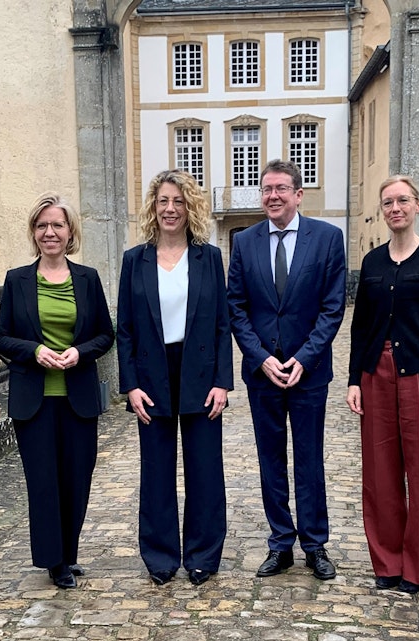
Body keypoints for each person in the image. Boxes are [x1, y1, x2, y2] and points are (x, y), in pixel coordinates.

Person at [227, 159, 347, 580]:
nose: (272, 196)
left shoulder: (328, 239)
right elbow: (236, 308)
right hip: (264, 374)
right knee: (270, 460)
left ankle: (315, 545)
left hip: (308, 373)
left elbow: (333, 309)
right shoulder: (244, 242)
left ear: (298, 194)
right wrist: (261, 359)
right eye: (266, 189)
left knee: (309, 459)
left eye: (280, 188)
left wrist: (304, 358)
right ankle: (281, 544)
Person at [117, 169, 233, 587]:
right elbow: (125, 328)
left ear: (190, 208)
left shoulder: (208, 256)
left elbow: (222, 323)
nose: (170, 209)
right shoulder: (135, 259)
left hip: (200, 372)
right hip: (151, 374)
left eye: (178, 201)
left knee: (205, 469)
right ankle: (161, 557)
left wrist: (223, 381)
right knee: (157, 470)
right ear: (154, 206)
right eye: (163, 201)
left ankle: (203, 555)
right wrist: (129, 385)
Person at [0, 192, 114, 589]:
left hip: (78, 396)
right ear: (34, 232)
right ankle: (53, 561)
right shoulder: (18, 280)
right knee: (44, 482)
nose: (50, 232)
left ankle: (70, 552)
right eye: (42, 225)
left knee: (77, 479)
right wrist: (37, 351)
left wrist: (79, 352)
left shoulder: (88, 278)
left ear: (69, 232)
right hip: (36, 400)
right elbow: (3, 338)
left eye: (57, 225)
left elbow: (105, 335)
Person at [345, 176, 419, 594]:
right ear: (382, 209)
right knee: (380, 473)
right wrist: (355, 378)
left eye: (403, 200)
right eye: (388, 202)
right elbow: (360, 326)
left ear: (417, 205)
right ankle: (388, 563)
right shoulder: (372, 263)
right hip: (377, 372)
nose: (396, 208)